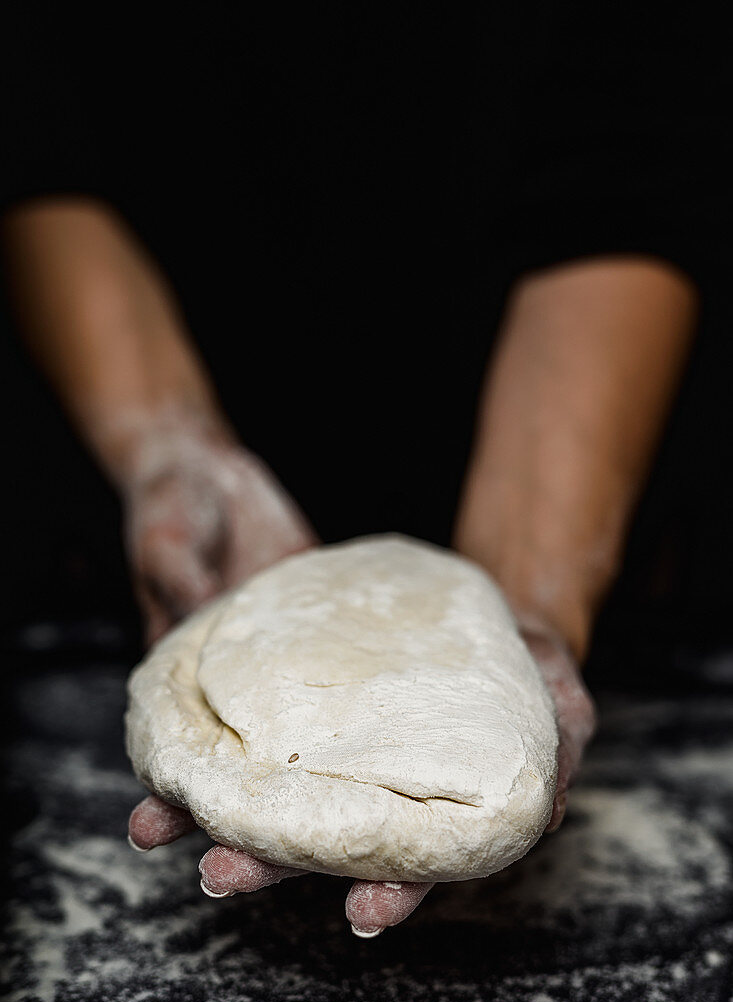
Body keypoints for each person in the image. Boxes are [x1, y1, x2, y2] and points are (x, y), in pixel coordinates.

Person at [0, 10, 718, 934]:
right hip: (154, 350)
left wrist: (531, 591)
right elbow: (31, 116)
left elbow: (630, 167)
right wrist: (166, 445)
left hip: (545, 407)